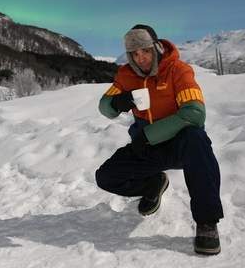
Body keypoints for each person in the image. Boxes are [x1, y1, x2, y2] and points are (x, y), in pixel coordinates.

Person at [95, 24, 224, 256]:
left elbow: (195, 113)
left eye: (145, 51)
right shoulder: (126, 74)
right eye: (134, 54)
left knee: (196, 138)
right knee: (106, 176)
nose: (141, 58)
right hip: (146, 148)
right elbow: (104, 107)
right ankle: (153, 185)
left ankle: (207, 223)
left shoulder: (178, 70)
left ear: (156, 47)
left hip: (181, 145)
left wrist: (147, 136)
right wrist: (115, 103)